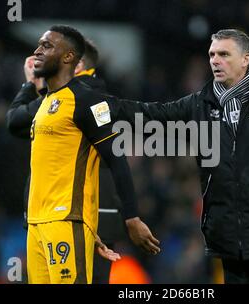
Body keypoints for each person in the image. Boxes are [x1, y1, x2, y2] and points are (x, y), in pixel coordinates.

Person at [113, 29, 249, 283]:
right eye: (212, 54)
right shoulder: (199, 104)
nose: (215, 60)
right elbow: (151, 113)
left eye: (224, 54)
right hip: (232, 239)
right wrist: (102, 105)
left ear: (245, 59)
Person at [16, 25, 160, 284]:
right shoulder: (47, 102)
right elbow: (13, 122)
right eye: (39, 44)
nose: (37, 51)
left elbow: (116, 158)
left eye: (46, 45)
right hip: (37, 223)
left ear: (69, 57)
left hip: (66, 219)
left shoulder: (87, 100)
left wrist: (132, 216)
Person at [6, 39, 126, 283]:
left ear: (76, 63)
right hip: (68, 214)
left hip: (69, 214)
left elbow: (15, 120)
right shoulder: (82, 99)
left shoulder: (77, 98)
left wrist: (31, 84)